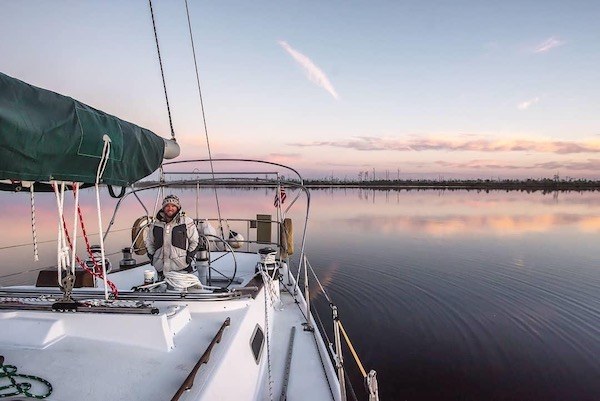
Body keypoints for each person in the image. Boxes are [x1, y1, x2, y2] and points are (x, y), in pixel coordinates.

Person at [146, 195, 199, 280]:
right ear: (163, 208)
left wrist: (188, 258)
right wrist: (153, 257)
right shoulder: (155, 224)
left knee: (182, 292)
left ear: (178, 208)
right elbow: (149, 242)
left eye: (173, 206)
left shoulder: (186, 222)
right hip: (161, 268)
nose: (170, 208)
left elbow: (195, 241)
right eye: (167, 206)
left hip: (181, 268)